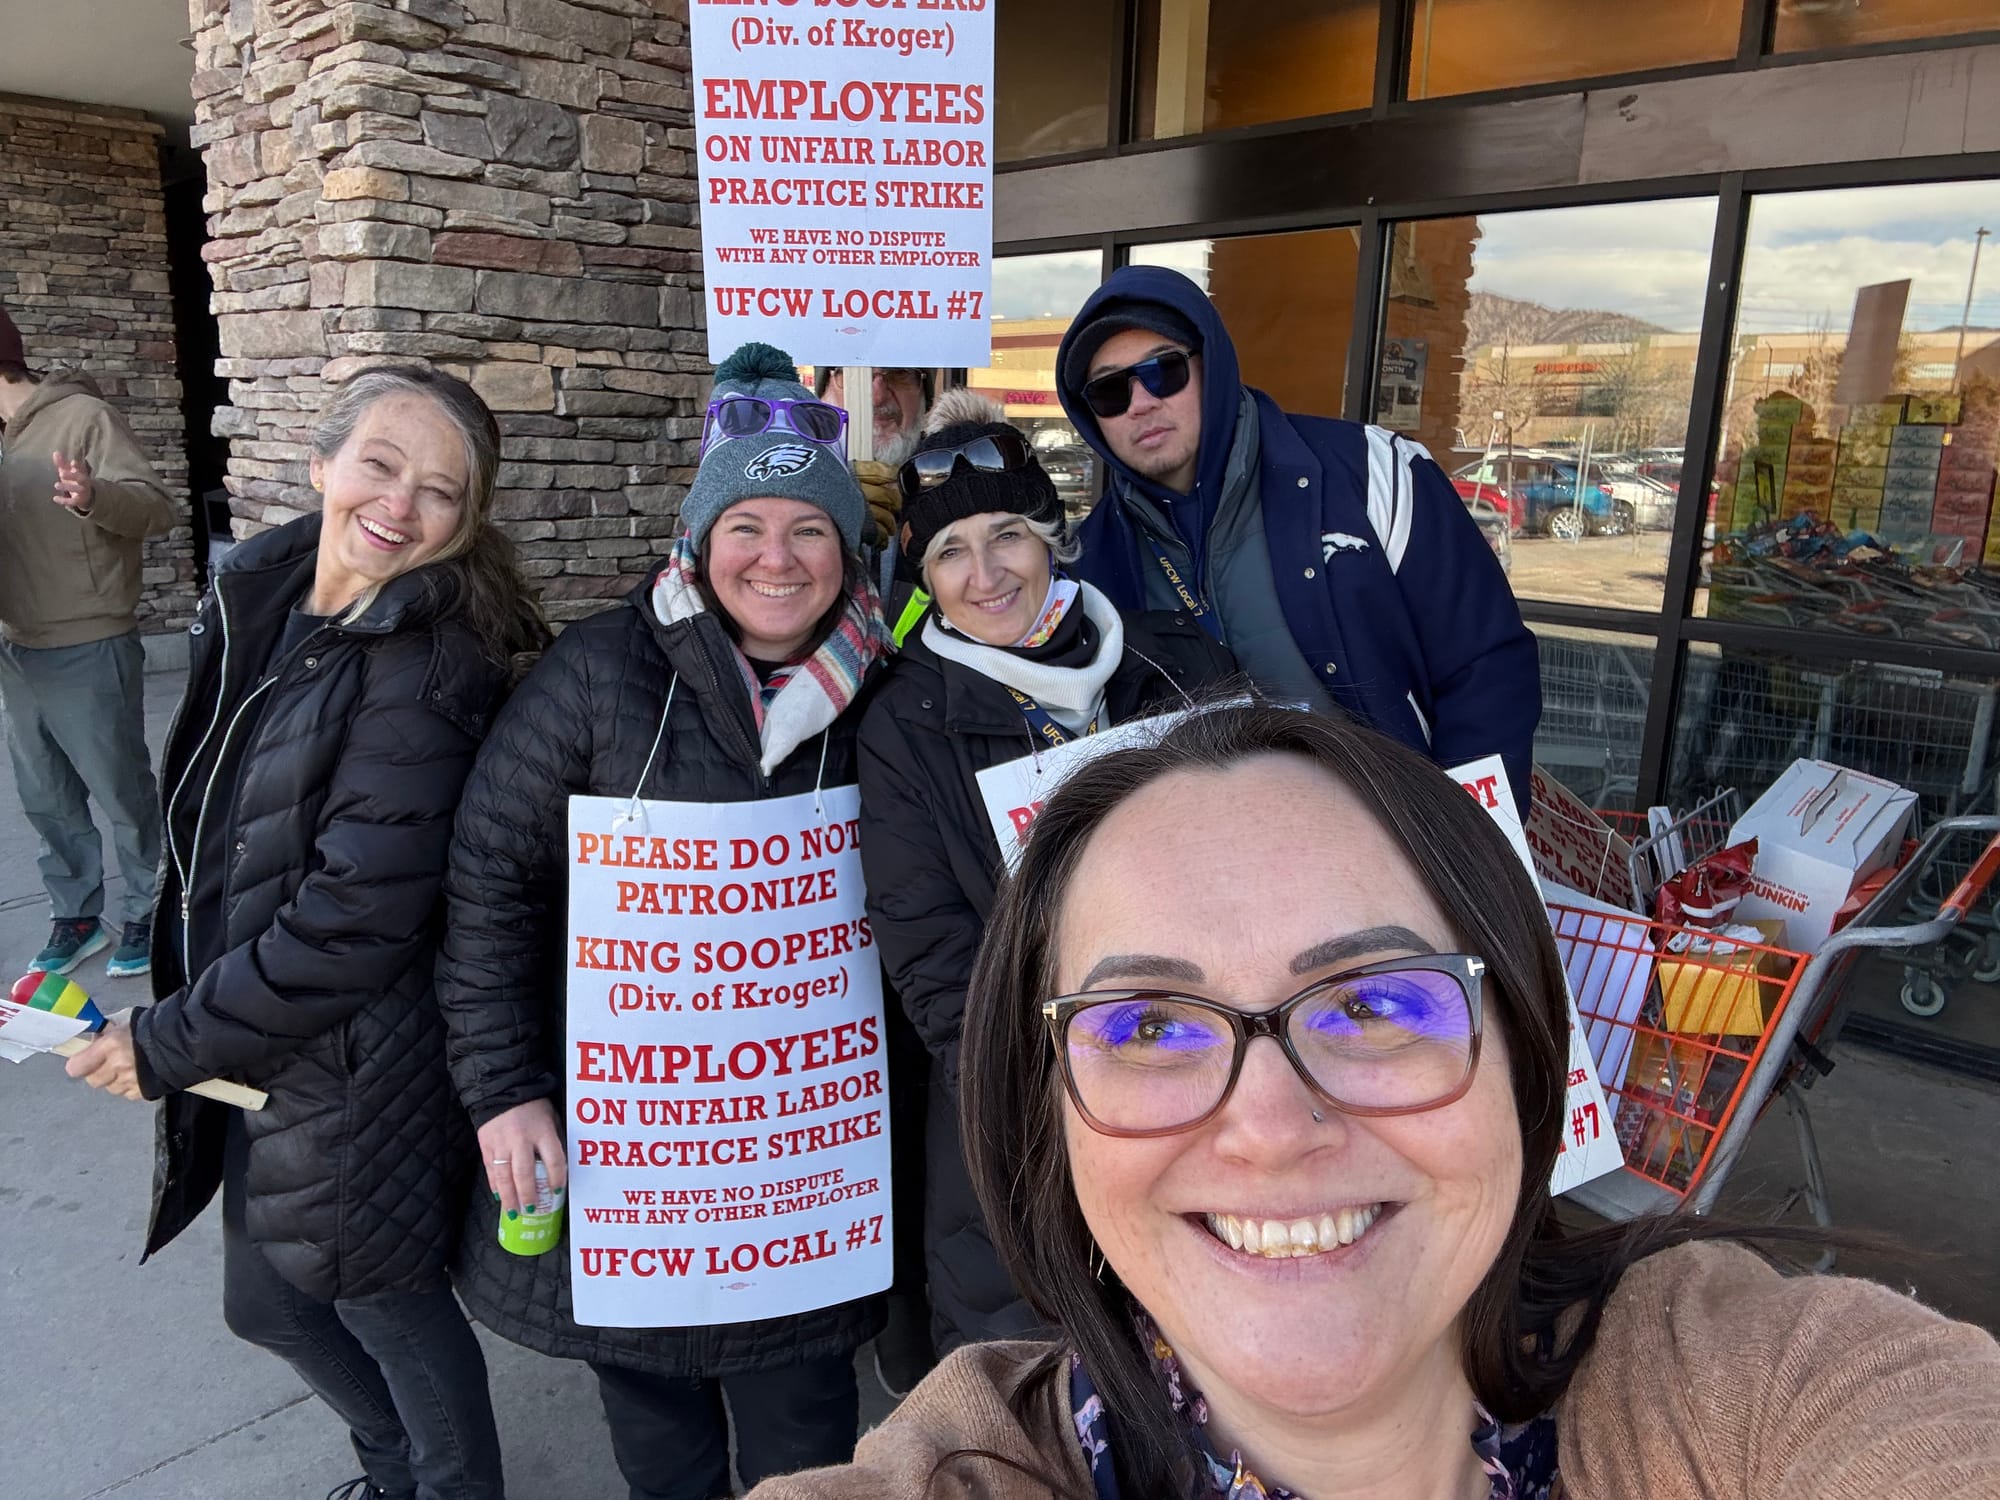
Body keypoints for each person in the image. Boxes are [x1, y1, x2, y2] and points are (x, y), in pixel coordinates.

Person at [748, 703, 2000, 1500]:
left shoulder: (1755, 1388)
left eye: (1371, 1004)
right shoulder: (964, 1467)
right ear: (1049, 1114)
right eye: (1145, 1025)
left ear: (1522, 1052)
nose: (1270, 1126)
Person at [64, 366, 549, 1500]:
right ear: (324, 464)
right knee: (267, 1303)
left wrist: (166, 1041)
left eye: (442, 491)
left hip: (358, 1054)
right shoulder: (266, 590)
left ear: (466, 522)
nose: (400, 503)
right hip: (263, 1024)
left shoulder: (429, 664)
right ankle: (394, 1471)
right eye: (380, 464)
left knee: (377, 1298)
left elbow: (351, 922)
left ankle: (443, 1489)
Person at [438, 343, 895, 1500]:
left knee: (810, 1454)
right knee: (661, 1456)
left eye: (809, 530)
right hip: (637, 1166)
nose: (775, 559)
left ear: (847, 552)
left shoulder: (893, 687)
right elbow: (491, 882)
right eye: (746, 525)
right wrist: (503, 1088)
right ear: (700, 539)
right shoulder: (597, 674)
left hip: (808, 1175)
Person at [857, 390, 1233, 1358]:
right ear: (922, 575)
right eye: (948, 552)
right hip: (1020, 1119)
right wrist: (1060, 1084)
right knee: (1034, 1385)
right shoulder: (905, 722)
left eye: (1006, 536)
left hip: (1208, 1081)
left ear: (1053, 538)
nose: (984, 575)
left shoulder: (1171, 662)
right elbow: (931, 955)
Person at [1055, 266, 1543, 809]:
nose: (1141, 402)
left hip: (1401, 843)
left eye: (1163, 371)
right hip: (1218, 865)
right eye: (1109, 391)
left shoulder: (1373, 472)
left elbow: (1484, 666)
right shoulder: (1090, 560)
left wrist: (1463, 846)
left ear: (1210, 365)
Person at [0, 301, 174, 978]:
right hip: (17, 645)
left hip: (88, 641)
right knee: (46, 795)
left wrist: (94, 495)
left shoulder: (84, 419)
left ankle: (148, 907)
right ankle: (76, 912)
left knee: (121, 790)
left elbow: (155, 508)